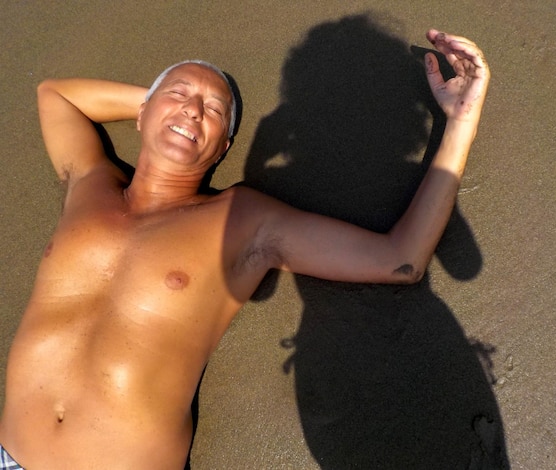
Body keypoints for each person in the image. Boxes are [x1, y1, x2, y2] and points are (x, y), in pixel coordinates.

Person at [0, 29, 489, 469]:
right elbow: (55, 95)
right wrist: (160, 105)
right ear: (142, 111)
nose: (194, 109)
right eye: (180, 95)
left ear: (224, 147)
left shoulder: (243, 221)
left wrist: (460, 121)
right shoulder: (90, 183)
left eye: (213, 111)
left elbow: (399, 259)